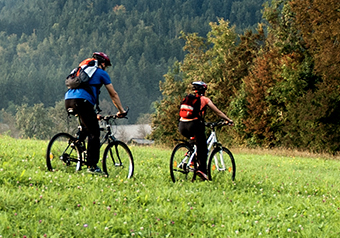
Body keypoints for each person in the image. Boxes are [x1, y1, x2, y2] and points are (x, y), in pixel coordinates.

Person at [65, 52, 126, 173]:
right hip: (82, 102)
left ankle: (77, 142)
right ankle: (92, 166)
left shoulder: (80, 70)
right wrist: (121, 111)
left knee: (87, 125)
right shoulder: (101, 73)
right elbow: (113, 94)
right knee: (95, 133)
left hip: (68, 100)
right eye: (106, 66)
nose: (106, 68)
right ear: (102, 64)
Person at [178, 81, 234, 181]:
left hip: (182, 125)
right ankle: (202, 170)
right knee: (203, 148)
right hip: (194, 125)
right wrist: (228, 120)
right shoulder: (204, 99)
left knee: (195, 142)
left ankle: (191, 158)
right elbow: (218, 112)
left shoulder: (188, 98)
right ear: (204, 90)